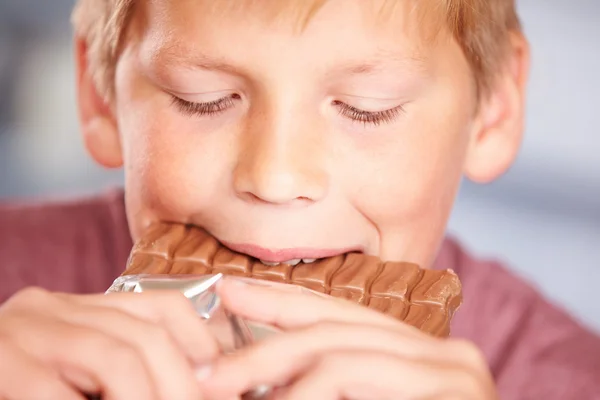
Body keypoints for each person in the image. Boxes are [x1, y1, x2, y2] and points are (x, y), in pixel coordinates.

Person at [0, 0, 598, 398]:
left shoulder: (560, 377)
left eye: (368, 107)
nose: (276, 177)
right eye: (201, 98)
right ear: (102, 97)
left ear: (490, 110)